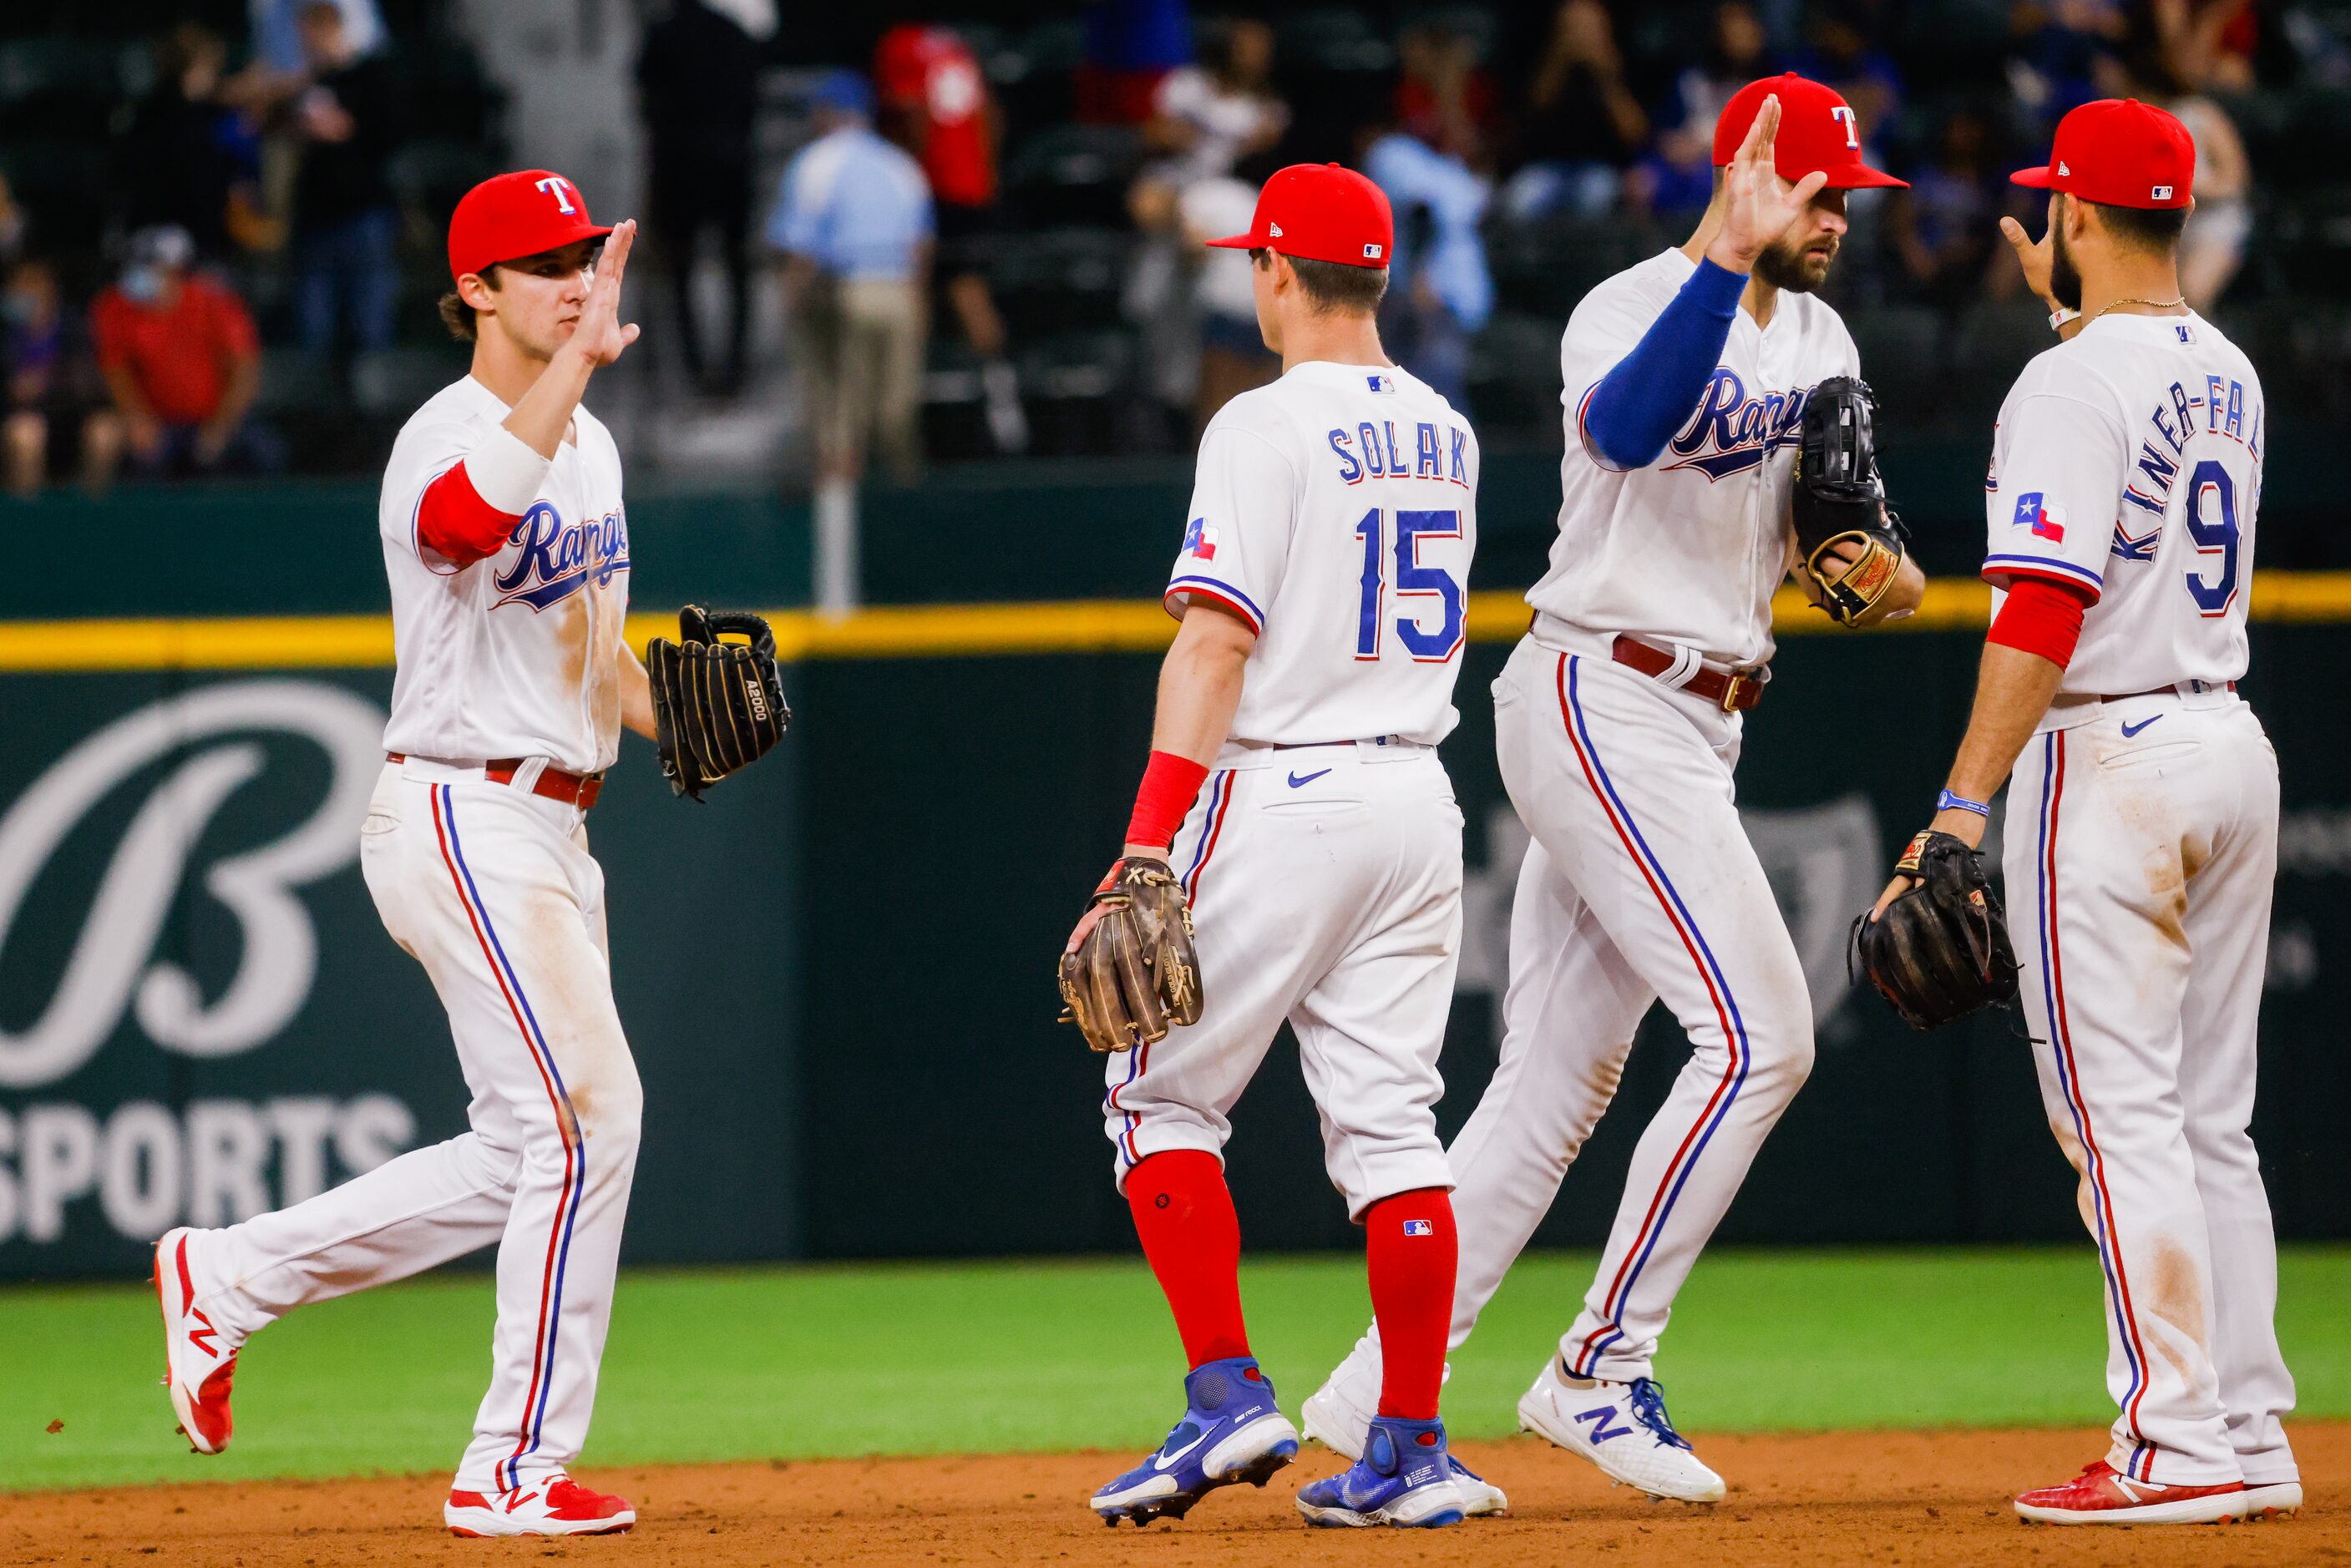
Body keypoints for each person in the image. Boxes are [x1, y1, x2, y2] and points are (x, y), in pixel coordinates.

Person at [1300, 76, 1923, 1510]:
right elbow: (1634, 429)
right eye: (1819, 192)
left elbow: (1851, 529)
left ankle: (1371, 1388)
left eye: (1843, 200)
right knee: (1763, 1039)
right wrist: (1720, 255)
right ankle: (1597, 1359)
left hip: (1708, 714)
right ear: (1749, 178)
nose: (1838, 219)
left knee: (1551, 1091)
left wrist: (1879, 573)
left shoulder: (1823, 332)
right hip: (1601, 688)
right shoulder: (1628, 301)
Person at [154, 170, 660, 1537]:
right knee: (593, 1117)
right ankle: (511, 1466)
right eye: (540, 263)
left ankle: (230, 1273)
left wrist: (668, 712)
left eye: (580, 257)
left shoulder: (593, 444)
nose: (571, 280)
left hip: (561, 823)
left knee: (523, 1150)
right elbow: (466, 525)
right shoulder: (443, 433)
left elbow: (582, 637)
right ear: (476, 291)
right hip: (462, 809)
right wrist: (569, 367)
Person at [1872, 97, 2299, 1527]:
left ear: (2074, 217)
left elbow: (2043, 606)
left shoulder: (2066, 382)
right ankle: (2246, 1421)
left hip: (2108, 752)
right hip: (2230, 735)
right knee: (2209, 1120)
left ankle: (2175, 1443)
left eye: (2052, 198)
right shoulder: (2227, 366)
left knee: (2121, 1122)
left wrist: (1956, 810)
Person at [1074, 162, 1485, 1530]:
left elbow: (1218, 637)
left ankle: (1223, 1389)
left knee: (1158, 1102)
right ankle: (1412, 1447)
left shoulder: (1261, 421)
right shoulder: (1446, 424)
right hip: (1418, 797)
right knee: (1395, 1129)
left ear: (1275, 271)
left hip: (1286, 787)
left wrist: (1145, 847)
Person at [768, 69, 932, 606]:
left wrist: (791, 307)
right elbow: (920, 248)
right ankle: (908, 530)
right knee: (895, 414)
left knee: (840, 423)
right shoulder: (901, 164)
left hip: (850, 293)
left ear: (826, 114)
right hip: (899, 294)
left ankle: (842, 560)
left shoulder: (817, 163)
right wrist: (917, 304)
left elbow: (800, 248)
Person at [874, 23, 1027, 452]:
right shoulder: (958, 43)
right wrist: (986, 173)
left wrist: (911, 177)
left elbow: (909, 110)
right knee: (968, 289)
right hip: (974, 189)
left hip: (936, 188)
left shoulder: (900, 45)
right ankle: (1002, 394)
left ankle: (908, 404)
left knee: (921, 286)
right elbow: (991, 114)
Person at [637, 0, 762, 397]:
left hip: (679, 169)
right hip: (731, 166)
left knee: (679, 272)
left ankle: (694, 371)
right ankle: (735, 371)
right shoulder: (735, 34)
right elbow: (750, 103)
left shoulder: (661, 34)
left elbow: (647, 107)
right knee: (738, 269)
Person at [89, 225, 276, 477]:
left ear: (174, 270)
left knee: (266, 453)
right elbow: (115, 371)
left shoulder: (214, 302)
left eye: (150, 265)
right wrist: (138, 419)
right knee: (138, 456)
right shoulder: (115, 306)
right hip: (158, 422)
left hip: (217, 417)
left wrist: (220, 428)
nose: (139, 272)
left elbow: (245, 370)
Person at [286, 0, 403, 358]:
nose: (307, 44)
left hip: (363, 212)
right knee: (314, 327)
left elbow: (390, 134)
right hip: (317, 216)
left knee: (370, 324)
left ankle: (374, 404)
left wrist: (342, 127)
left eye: (311, 35)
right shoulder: (311, 82)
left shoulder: (373, 76)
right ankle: (313, 410)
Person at [4, 258, 117, 496]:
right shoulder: (5, 330)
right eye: (18, 285)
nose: (23, 291)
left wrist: (46, 381)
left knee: (105, 432)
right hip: (20, 418)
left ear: (50, 289)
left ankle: (93, 517)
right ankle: (28, 518)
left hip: (70, 415)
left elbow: (89, 379)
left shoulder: (74, 326)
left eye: (32, 284)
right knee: (27, 434)